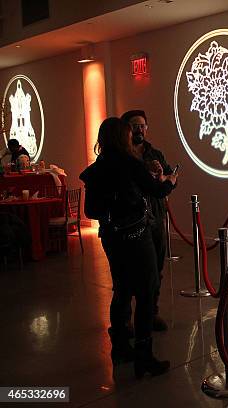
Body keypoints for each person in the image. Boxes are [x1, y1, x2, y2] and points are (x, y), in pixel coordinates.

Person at [79, 117, 177, 377]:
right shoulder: (130, 164)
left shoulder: (98, 168)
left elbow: (91, 210)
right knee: (146, 291)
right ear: (123, 137)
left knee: (121, 289)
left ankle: (120, 348)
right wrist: (170, 181)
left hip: (111, 238)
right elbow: (157, 191)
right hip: (136, 236)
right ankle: (144, 357)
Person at [120, 110, 173, 332]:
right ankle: (125, 320)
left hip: (155, 218)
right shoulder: (122, 156)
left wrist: (164, 178)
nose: (139, 129)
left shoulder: (155, 154)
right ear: (126, 129)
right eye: (134, 126)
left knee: (155, 270)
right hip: (132, 222)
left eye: (142, 125)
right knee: (128, 272)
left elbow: (169, 177)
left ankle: (152, 312)